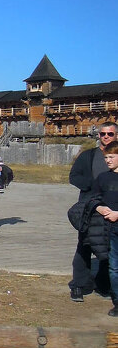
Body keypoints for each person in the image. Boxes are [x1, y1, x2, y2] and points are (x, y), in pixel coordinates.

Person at [68, 121, 116, 303]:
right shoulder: (88, 156)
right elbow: (74, 177)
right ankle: (80, 284)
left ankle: (104, 284)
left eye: (110, 134)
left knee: (110, 249)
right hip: (89, 209)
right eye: (103, 133)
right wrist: (91, 186)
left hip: (112, 210)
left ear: (115, 135)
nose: (106, 137)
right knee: (84, 246)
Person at [94, 140, 118, 317]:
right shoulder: (103, 178)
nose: (108, 160)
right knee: (114, 267)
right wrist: (99, 207)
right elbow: (94, 198)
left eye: (112, 157)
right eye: (106, 157)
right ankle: (117, 301)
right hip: (111, 230)